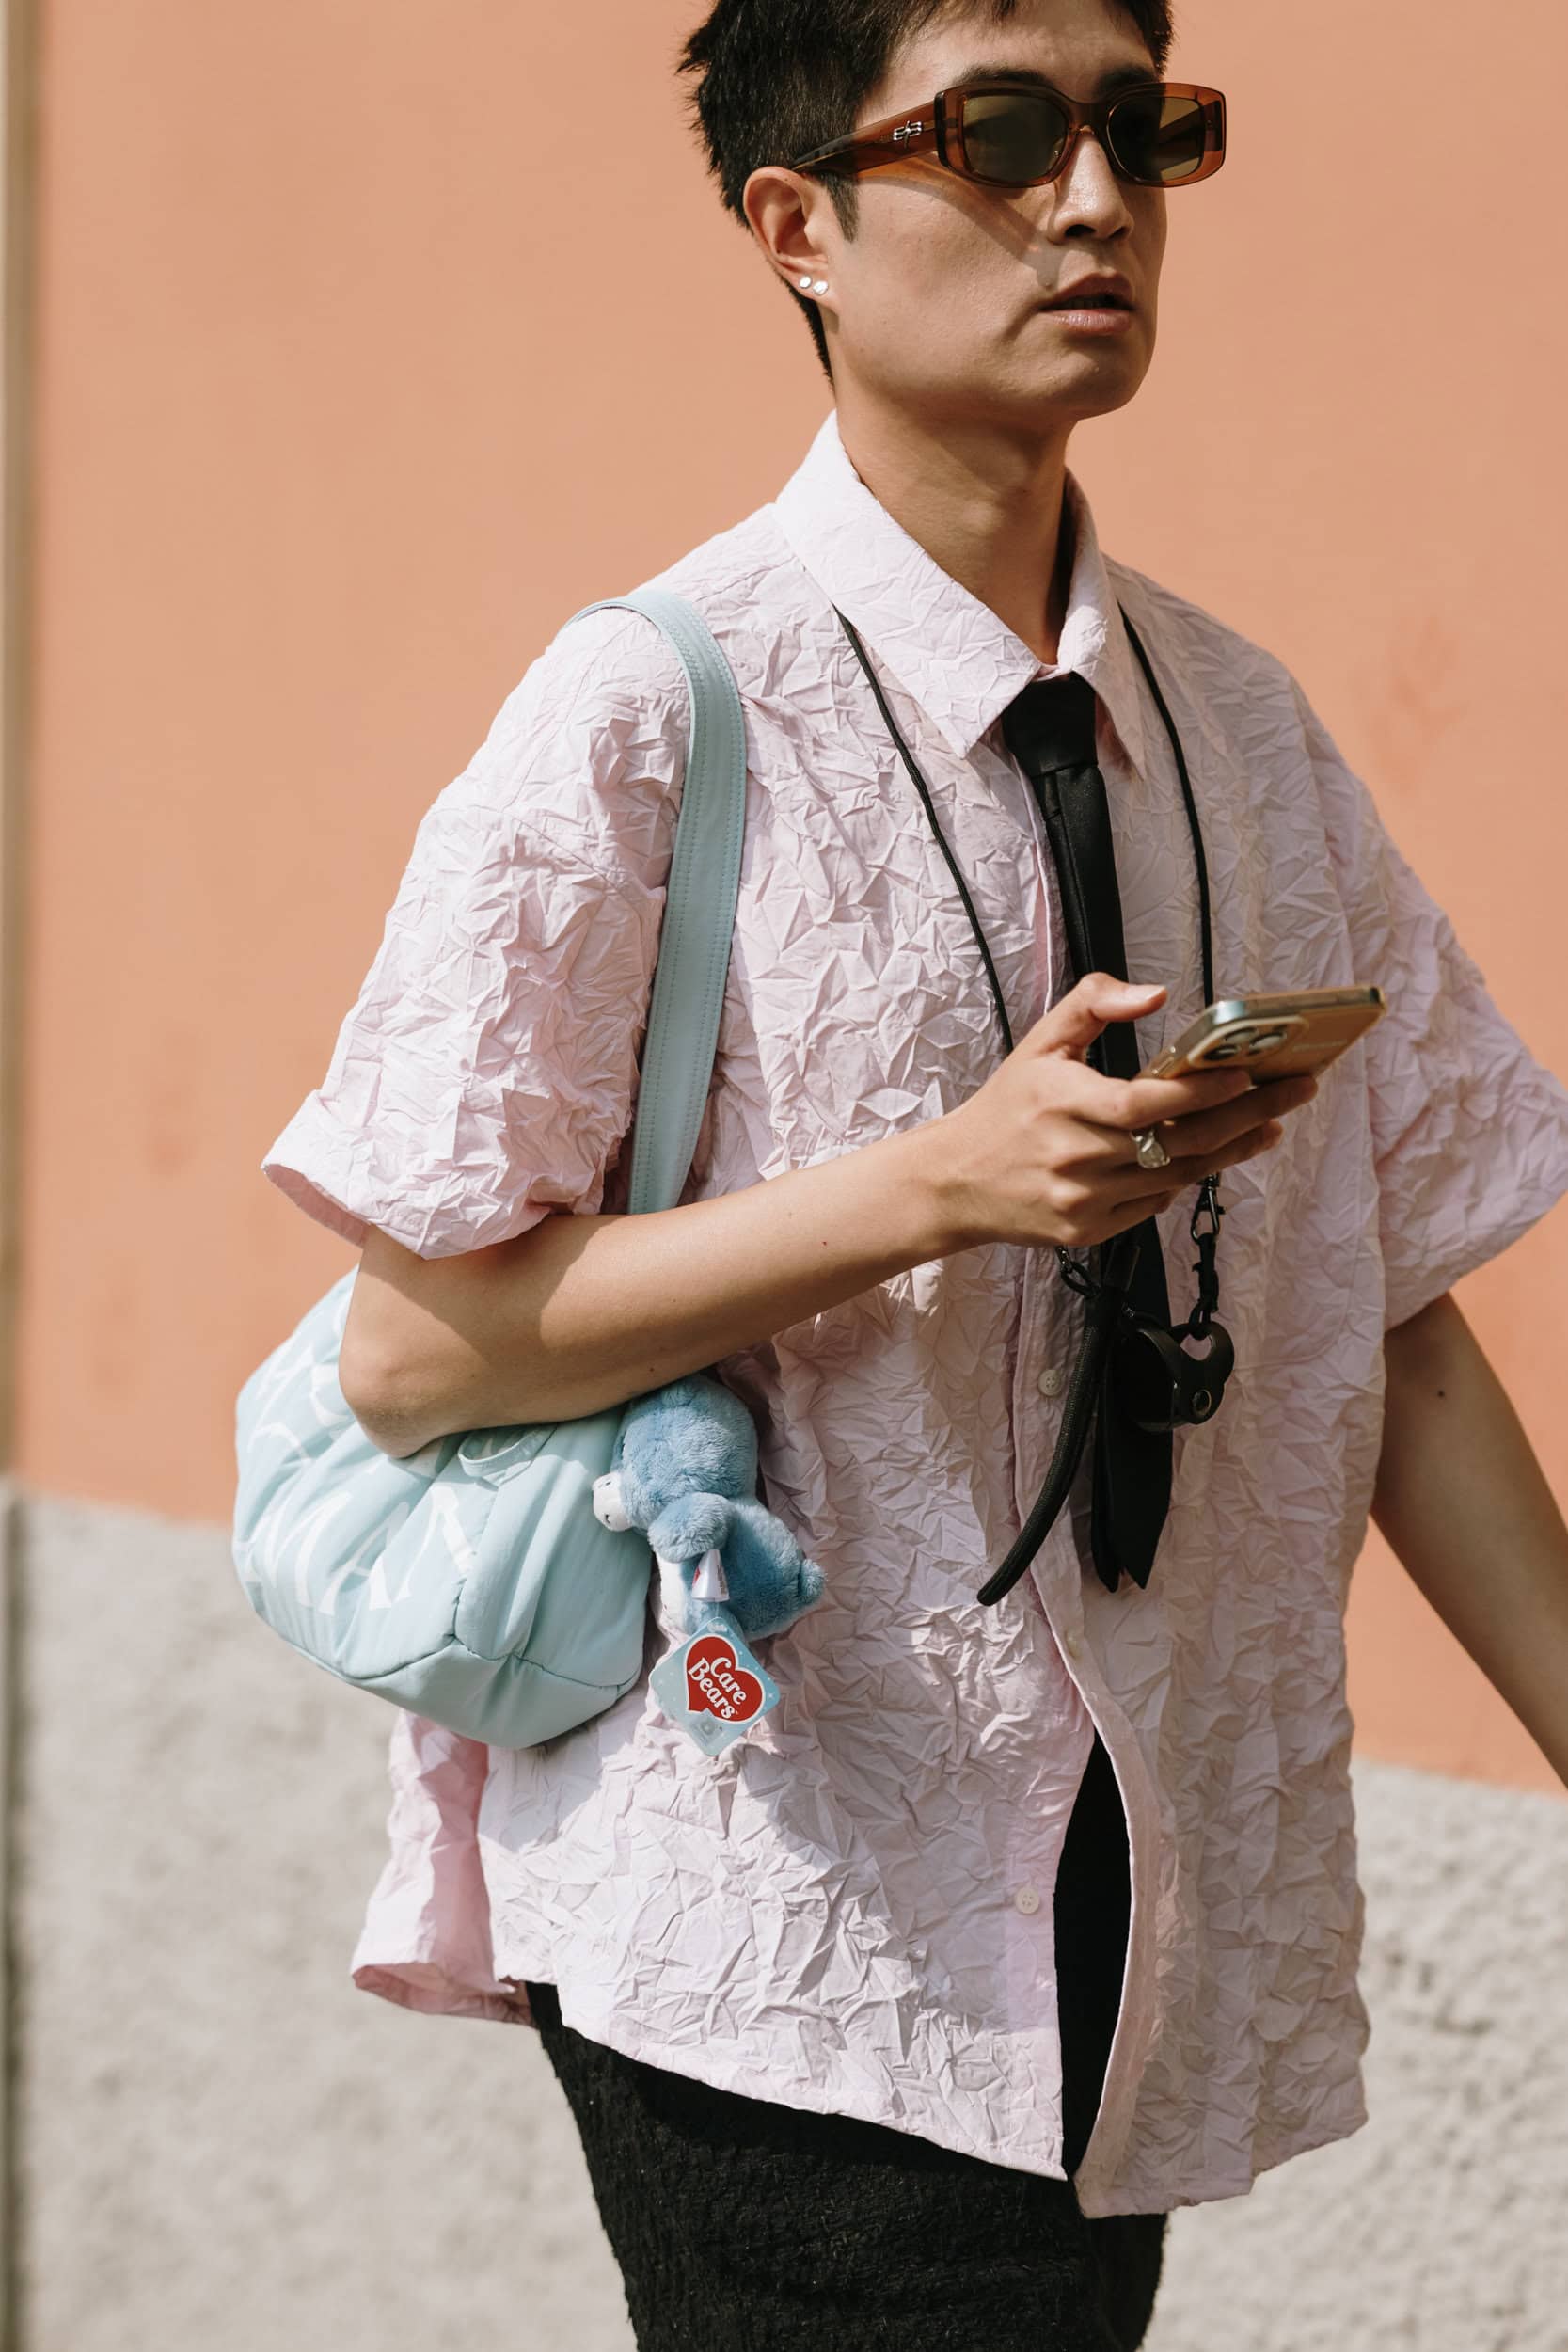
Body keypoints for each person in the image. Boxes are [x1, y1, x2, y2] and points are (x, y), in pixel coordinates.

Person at [260, 1, 1568, 2344]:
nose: (1098, 201)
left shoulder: (1244, 729)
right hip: (788, 1872)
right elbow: (413, 1347)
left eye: (1144, 128)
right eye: (1004, 132)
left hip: (1137, 1870)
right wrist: (941, 1184)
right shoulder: (651, 706)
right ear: (801, 227)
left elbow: (1397, 1302)